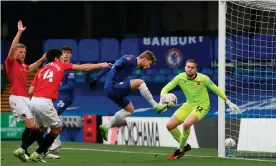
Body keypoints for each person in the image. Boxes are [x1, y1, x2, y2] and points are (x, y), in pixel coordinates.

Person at [13, 49, 112, 162]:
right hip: (45, 102)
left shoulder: (41, 70)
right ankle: (37, 153)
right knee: (57, 128)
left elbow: (30, 91)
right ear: (56, 59)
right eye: (60, 57)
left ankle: (22, 149)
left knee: (42, 128)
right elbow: (83, 67)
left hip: (34, 101)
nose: (62, 58)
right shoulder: (61, 66)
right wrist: (101, 65)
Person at [159, 59, 241, 160]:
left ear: (195, 69)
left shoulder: (203, 78)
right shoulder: (180, 77)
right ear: (185, 67)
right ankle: (185, 146)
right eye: (188, 67)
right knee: (170, 126)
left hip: (202, 105)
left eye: (192, 67)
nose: (189, 69)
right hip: (189, 105)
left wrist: (228, 102)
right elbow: (165, 89)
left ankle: (180, 149)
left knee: (186, 124)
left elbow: (216, 89)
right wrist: (162, 101)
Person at [4, 20, 55, 160]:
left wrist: (42, 59)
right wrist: (19, 32)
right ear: (14, 53)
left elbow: (30, 68)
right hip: (16, 97)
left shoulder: (22, 66)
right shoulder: (10, 62)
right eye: (20, 52)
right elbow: (13, 48)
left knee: (34, 127)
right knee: (33, 127)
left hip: (26, 98)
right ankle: (42, 151)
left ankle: (24, 151)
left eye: (24, 52)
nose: (23, 54)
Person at [90, 51, 168, 141]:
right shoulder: (131, 59)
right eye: (149, 64)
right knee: (140, 82)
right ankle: (155, 106)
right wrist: (119, 64)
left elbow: (109, 66)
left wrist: (96, 79)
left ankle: (106, 126)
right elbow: (123, 59)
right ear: (144, 60)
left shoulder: (132, 65)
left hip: (110, 91)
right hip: (113, 87)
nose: (149, 66)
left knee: (130, 109)